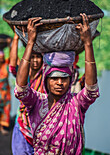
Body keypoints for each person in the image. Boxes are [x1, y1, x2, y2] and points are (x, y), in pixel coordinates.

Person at [14, 14, 100, 154]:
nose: (59, 82)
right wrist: (30, 42)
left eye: (64, 78)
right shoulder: (37, 102)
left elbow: (91, 90)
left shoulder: (76, 103)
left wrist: (88, 44)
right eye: (54, 78)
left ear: (70, 80)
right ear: (46, 80)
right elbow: (20, 89)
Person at [9, 30, 44, 154]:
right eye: (32, 57)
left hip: (40, 127)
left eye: (38, 57)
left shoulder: (46, 77)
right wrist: (16, 38)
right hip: (23, 124)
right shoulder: (24, 76)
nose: (35, 60)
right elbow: (13, 66)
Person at [0, 50, 11, 135]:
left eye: (2, 58)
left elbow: (11, 59)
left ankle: (2, 126)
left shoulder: (6, 66)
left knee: (5, 109)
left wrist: (9, 44)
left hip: (5, 92)